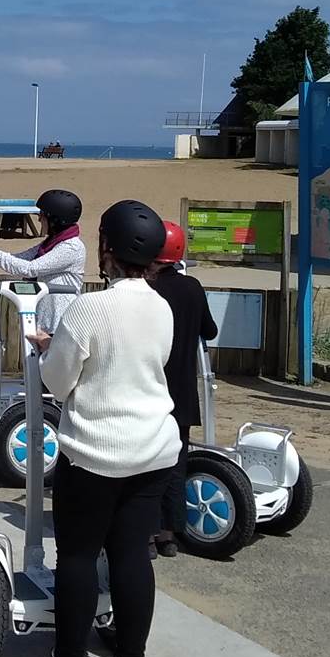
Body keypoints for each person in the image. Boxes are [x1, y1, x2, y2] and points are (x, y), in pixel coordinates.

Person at [27, 200, 179, 657]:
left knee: (76, 557)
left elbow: (59, 382)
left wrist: (50, 347)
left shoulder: (88, 307)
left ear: (107, 249)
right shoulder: (163, 306)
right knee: (132, 556)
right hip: (154, 450)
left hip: (93, 453)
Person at [146, 220, 217, 559]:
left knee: (144, 464)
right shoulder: (193, 287)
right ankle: (168, 534)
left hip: (149, 388)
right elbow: (210, 330)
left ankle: (144, 534)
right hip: (183, 392)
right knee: (175, 463)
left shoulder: (148, 290)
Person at [0, 189, 85, 333]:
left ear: (54, 220)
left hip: (61, 327)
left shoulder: (71, 247)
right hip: (44, 324)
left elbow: (29, 269)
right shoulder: (50, 244)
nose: (39, 219)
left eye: (42, 215)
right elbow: (18, 260)